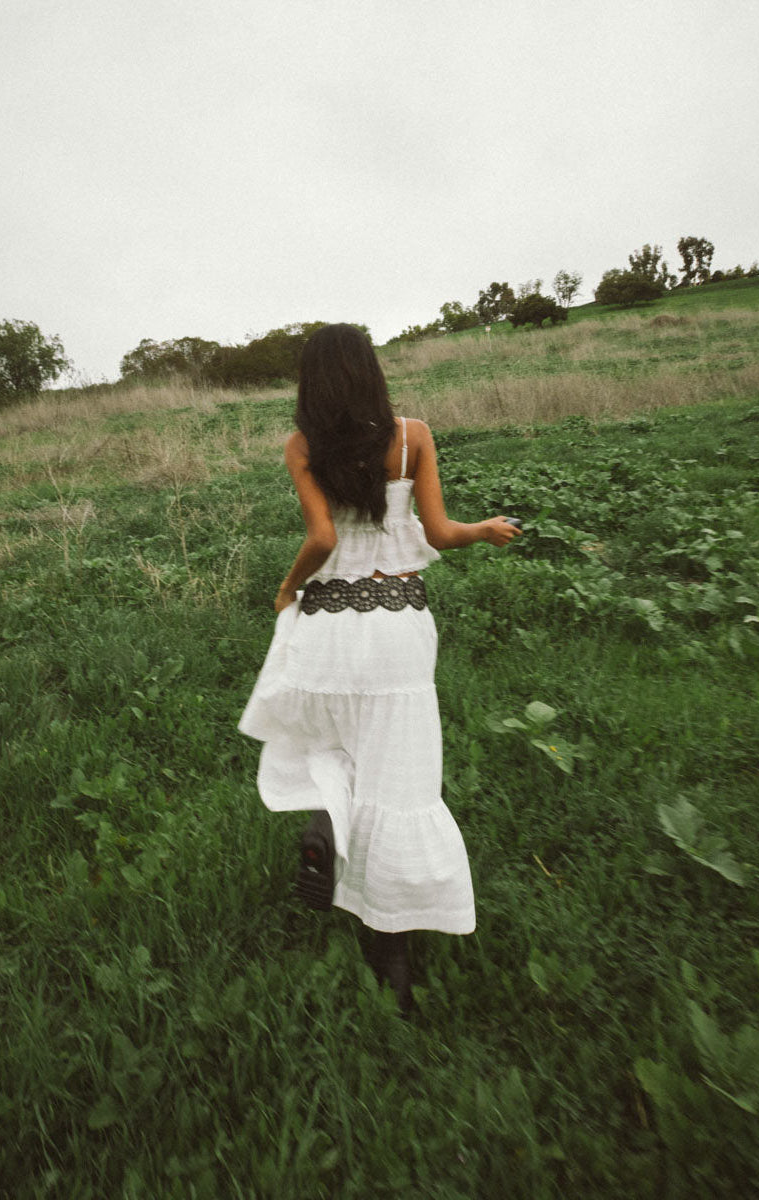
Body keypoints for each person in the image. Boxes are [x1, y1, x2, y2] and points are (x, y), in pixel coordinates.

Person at [238, 323, 521, 1014]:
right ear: (371, 371)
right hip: (398, 630)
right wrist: (483, 530)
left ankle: (329, 825)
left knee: (330, 742)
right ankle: (390, 947)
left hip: (329, 629)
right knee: (399, 778)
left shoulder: (302, 446)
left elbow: (322, 538)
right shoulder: (412, 436)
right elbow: (440, 533)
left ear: (312, 382)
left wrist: (287, 589)